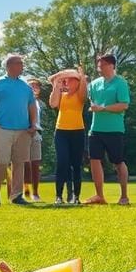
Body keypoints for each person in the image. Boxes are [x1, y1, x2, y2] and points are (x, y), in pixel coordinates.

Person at [0, 54, 37, 206]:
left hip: (23, 131)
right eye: (19, 63)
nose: (22, 66)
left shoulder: (25, 86)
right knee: (1, 162)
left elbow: (32, 106)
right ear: (10, 66)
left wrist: (33, 125)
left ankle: (16, 196)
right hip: (2, 130)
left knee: (19, 163)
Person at [86, 52, 131, 206]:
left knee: (118, 162)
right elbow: (90, 101)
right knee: (94, 160)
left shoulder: (120, 83)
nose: (99, 67)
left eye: (103, 64)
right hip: (95, 129)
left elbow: (124, 105)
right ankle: (99, 196)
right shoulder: (94, 84)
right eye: (98, 64)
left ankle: (124, 196)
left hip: (114, 129)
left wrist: (103, 108)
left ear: (111, 65)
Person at [49, 67, 88, 205]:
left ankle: (75, 197)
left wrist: (79, 75)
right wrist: (57, 85)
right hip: (61, 132)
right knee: (62, 163)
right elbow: (53, 103)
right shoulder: (61, 93)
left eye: (70, 80)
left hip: (78, 132)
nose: (67, 83)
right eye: (66, 80)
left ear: (77, 82)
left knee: (76, 165)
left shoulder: (80, 94)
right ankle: (59, 196)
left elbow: (83, 91)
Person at [26, 78, 46, 202]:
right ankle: (25, 190)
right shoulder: (22, 100)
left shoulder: (40, 103)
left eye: (36, 86)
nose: (34, 87)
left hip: (36, 134)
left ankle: (35, 193)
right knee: (24, 164)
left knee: (35, 164)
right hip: (24, 133)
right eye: (31, 85)